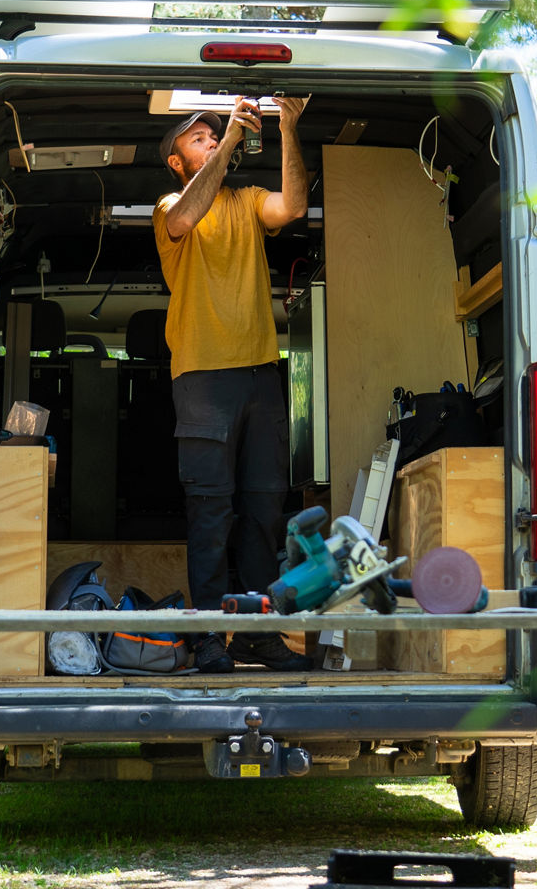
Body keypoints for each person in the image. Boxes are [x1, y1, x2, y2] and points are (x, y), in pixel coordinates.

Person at [153, 95, 311, 672]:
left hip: (261, 375)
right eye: (198, 139)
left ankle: (257, 633)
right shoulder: (173, 202)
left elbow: (293, 207)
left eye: (214, 135)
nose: (211, 141)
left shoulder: (245, 201)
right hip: (201, 378)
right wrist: (229, 148)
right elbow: (183, 221)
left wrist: (288, 128)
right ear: (177, 161)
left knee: (266, 509)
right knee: (211, 512)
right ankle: (210, 638)